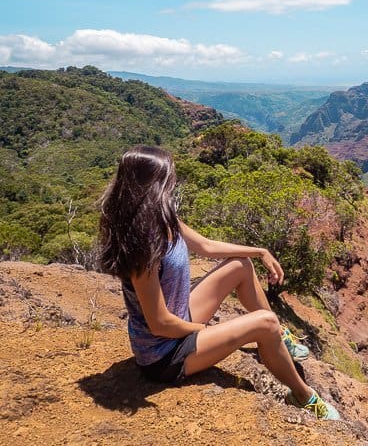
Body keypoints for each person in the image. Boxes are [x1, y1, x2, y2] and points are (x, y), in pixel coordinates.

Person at [97, 145, 340, 420]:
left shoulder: (163, 218)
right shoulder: (141, 246)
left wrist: (259, 252)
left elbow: (206, 246)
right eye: (169, 178)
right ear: (152, 185)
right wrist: (203, 329)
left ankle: (277, 341)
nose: (173, 184)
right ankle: (304, 396)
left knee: (241, 266)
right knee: (265, 322)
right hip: (164, 355)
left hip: (181, 319)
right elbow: (159, 324)